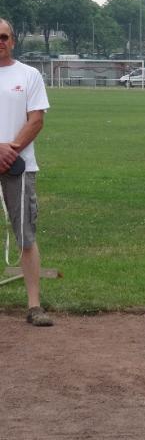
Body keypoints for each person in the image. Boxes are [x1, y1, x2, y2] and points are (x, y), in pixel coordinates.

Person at [0, 18, 53, 326]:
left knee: (26, 236)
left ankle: (34, 306)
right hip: (9, 157)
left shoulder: (29, 75)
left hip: (19, 167)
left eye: (4, 36)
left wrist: (11, 150)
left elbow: (36, 120)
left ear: (13, 40)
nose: (0, 42)